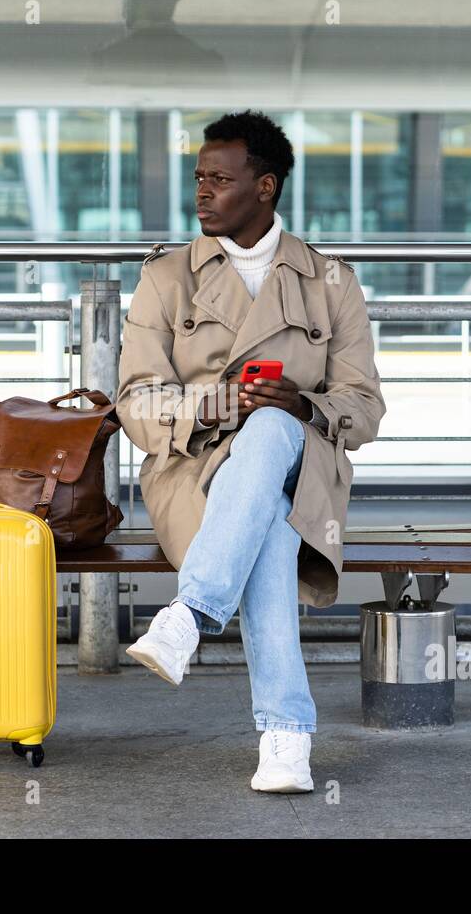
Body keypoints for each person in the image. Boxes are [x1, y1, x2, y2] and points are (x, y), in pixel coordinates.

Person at [115, 110, 386, 793]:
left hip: (305, 467)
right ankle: (286, 739)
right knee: (266, 525)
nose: (202, 192)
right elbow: (136, 403)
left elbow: (364, 407)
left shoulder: (332, 281)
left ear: (265, 188)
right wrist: (217, 404)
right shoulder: (166, 279)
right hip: (192, 472)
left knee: (270, 437)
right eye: (199, 178)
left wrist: (303, 406)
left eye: (220, 179)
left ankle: (190, 617)